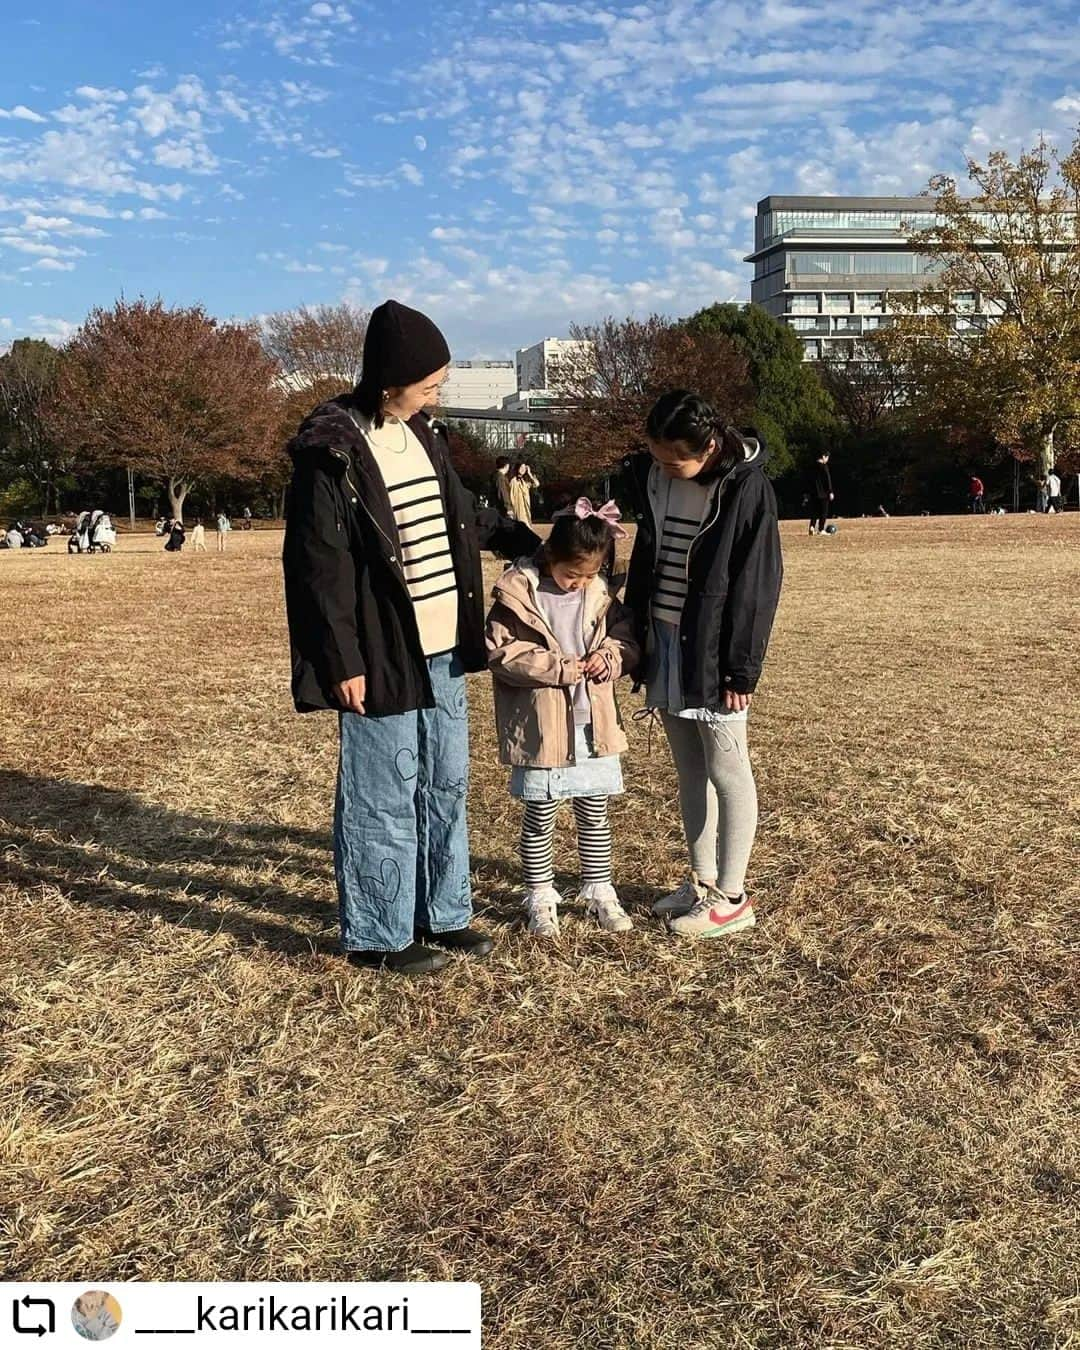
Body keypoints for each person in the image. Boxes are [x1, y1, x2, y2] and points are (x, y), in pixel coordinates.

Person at [283, 298, 539, 977]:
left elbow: (462, 515)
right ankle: (377, 933)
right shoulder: (331, 448)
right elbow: (319, 568)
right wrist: (341, 659)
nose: (439, 391)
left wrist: (530, 541)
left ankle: (442, 912)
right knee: (382, 791)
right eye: (429, 381)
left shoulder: (423, 433)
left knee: (444, 782)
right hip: (379, 649)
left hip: (446, 643)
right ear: (390, 379)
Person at [622, 390, 782, 940]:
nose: (665, 468)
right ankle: (702, 880)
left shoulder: (746, 487)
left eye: (675, 460)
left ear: (710, 447)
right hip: (664, 635)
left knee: (728, 769)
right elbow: (647, 552)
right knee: (690, 768)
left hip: (712, 647)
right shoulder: (654, 477)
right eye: (657, 457)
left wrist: (741, 670)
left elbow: (756, 584)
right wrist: (634, 631)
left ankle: (732, 897)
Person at [486, 501, 639, 937]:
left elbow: (625, 637)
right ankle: (539, 893)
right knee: (540, 813)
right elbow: (501, 652)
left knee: (595, 811)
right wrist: (558, 668)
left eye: (589, 575)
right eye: (573, 574)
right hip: (543, 726)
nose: (580, 583)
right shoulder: (519, 592)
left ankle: (599, 889)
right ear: (551, 555)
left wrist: (611, 657)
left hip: (592, 722)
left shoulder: (600, 594)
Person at [809, 450, 834, 536]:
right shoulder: (824, 467)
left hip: (814, 493)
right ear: (823, 456)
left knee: (814, 512)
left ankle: (812, 527)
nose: (827, 460)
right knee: (823, 512)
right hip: (823, 493)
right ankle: (821, 529)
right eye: (827, 458)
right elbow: (828, 480)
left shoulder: (812, 467)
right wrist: (830, 491)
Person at [508, 461, 540, 526]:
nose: (523, 469)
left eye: (525, 468)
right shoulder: (513, 481)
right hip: (518, 509)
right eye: (521, 467)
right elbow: (511, 496)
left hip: (526, 509)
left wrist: (530, 473)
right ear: (517, 468)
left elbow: (537, 484)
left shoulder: (525, 481)